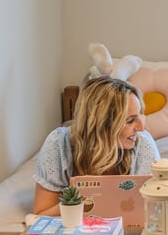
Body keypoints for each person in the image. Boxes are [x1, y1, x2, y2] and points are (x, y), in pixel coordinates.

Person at [32, 76, 159, 214]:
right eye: (129, 121)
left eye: (139, 116)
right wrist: (81, 201)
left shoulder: (142, 143)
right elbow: (41, 215)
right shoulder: (59, 144)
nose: (140, 128)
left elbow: (154, 208)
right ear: (101, 125)